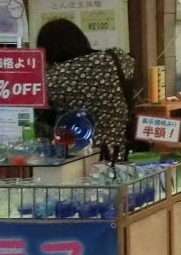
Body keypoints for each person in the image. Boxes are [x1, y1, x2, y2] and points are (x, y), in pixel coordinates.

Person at [36, 18, 136, 163]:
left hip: (77, 161)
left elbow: (43, 118)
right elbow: (132, 69)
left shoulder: (52, 79)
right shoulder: (115, 58)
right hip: (118, 154)